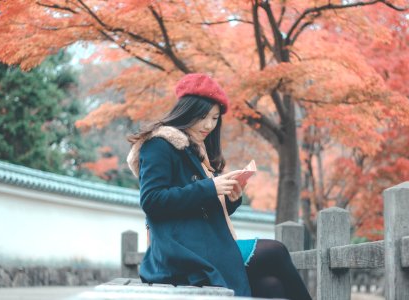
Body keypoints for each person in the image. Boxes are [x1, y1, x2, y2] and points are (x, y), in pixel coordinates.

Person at [127, 73, 312, 299]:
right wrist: (210, 188)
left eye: (215, 119)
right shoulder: (158, 145)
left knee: (270, 286)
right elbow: (152, 201)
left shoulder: (197, 152)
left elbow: (201, 208)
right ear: (186, 111)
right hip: (180, 250)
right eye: (203, 116)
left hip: (204, 243)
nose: (208, 125)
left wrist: (231, 198)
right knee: (277, 251)